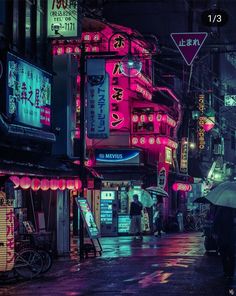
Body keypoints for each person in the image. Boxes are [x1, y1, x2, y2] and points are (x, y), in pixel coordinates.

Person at [213, 206, 236, 279]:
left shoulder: (221, 210)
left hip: (224, 237)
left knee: (225, 256)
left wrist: (215, 232)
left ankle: (227, 272)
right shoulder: (233, 210)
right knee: (231, 255)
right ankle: (230, 272)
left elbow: (215, 223)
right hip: (230, 237)